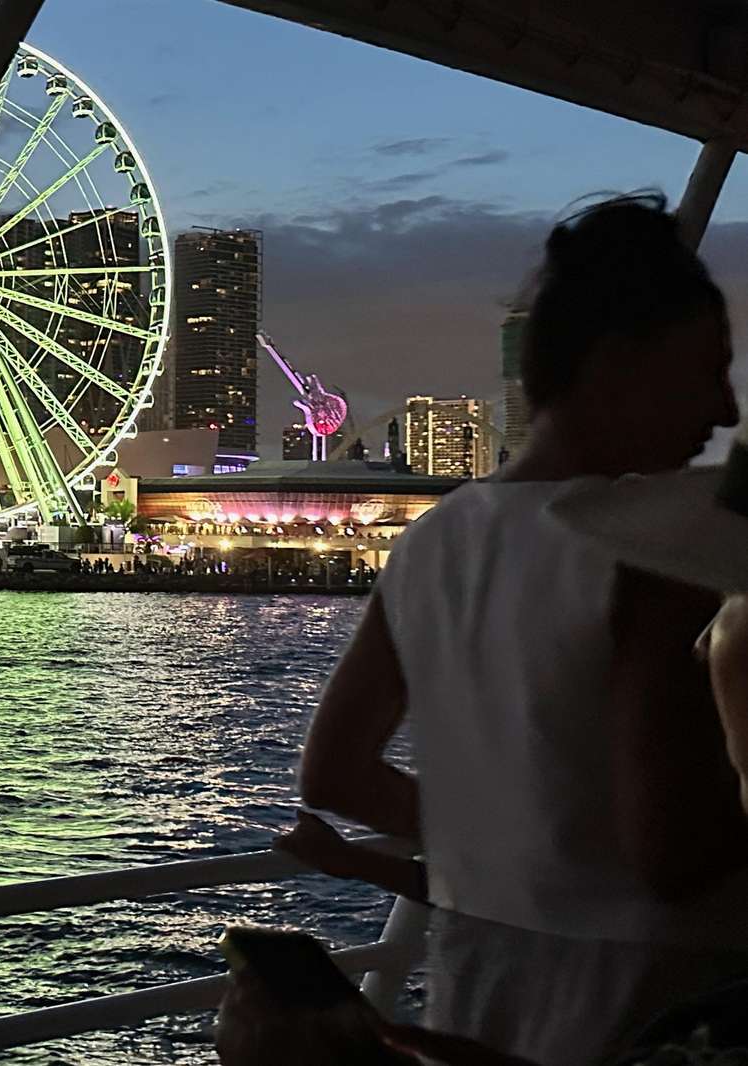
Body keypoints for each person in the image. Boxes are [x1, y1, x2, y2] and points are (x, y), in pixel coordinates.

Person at [294, 194, 748, 1065]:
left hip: (475, 993)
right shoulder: (652, 552)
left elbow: (334, 773)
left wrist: (509, 840)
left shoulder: (431, 539)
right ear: (617, 367)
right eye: (707, 371)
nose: (726, 412)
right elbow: (673, 855)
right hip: (653, 1012)